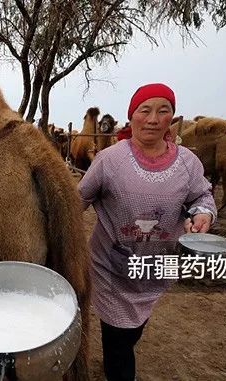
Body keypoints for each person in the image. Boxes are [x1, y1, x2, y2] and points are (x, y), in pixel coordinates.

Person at [77, 83, 216, 381]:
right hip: (112, 266)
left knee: (132, 329)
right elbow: (78, 199)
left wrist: (202, 214)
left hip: (156, 266)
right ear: (132, 117)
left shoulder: (187, 163)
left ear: (172, 119)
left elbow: (202, 197)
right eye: (145, 111)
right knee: (118, 338)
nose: (153, 119)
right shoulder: (109, 160)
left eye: (162, 111)